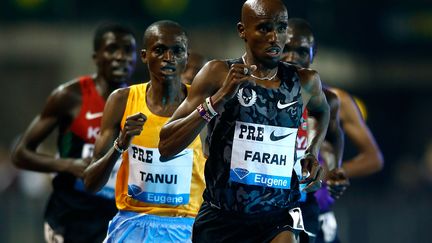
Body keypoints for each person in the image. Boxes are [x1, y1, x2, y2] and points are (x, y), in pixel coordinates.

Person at [158, 0, 330, 242]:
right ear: (242, 31)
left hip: (278, 217)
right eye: (264, 28)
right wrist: (218, 99)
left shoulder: (304, 81)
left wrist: (312, 150)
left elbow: (322, 111)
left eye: (281, 28)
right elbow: (166, 145)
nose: (274, 37)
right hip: (222, 218)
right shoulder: (217, 73)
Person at [11, 23, 137, 242]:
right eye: (112, 49)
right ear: (96, 56)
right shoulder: (70, 96)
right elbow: (20, 154)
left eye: (127, 50)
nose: (120, 57)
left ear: (138, 58)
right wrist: (68, 165)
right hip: (70, 213)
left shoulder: (141, 101)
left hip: (115, 215)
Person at [83, 20, 206, 242]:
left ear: (186, 57)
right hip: (133, 225)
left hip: (187, 227)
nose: (168, 58)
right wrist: (120, 144)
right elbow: (91, 182)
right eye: (159, 50)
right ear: (144, 55)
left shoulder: (204, 108)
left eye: (177, 51)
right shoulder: (122, 100)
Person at [282, 18, 384, 243]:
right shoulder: (256, 97)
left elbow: (373, 157)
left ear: (313, 53)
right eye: (286, 49)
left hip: (314, 210)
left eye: (301, 51)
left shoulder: (335, 100)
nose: (292, 58)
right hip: (267, 210)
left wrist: (332, 173)